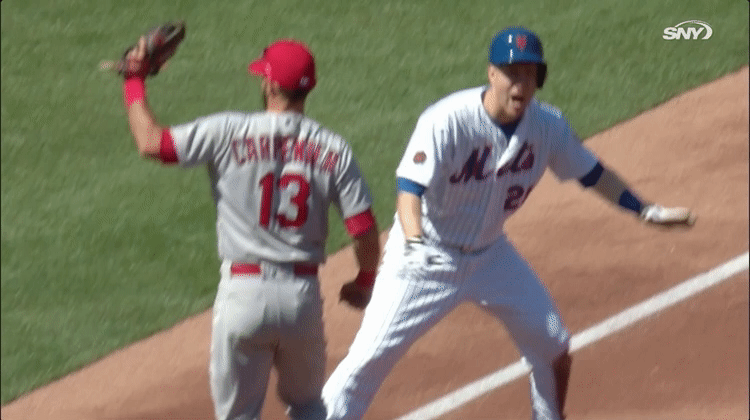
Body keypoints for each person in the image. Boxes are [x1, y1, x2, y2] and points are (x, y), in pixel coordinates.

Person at [321, 26, 695, 420]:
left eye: (530, 74)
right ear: (492, 74)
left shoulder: (547, 126)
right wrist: (413, 243)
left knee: (552, 344)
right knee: (364, 364)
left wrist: (644, 209)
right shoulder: (448, 120)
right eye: (512, 72)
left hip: (491, 257)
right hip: (426, 257)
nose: (521, 83)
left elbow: (593, 174)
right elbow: (408, 188)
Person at [118, 37, 381, 420]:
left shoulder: (227, 131)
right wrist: (365, 280)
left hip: (243, 296)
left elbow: (151, 143)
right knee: (308, 406)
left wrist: (133, 79)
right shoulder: (333, 148)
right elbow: (363, 229)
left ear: (270, 85)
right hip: (300, 300)